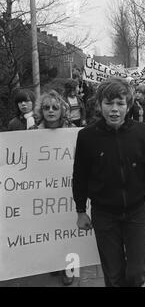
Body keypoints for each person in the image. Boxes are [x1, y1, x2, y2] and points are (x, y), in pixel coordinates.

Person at [72, 77, 145, 287]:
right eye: (109, 103)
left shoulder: (143, 133)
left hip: (136, 212)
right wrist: (80, 210)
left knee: (136, 272)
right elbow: (80, 176)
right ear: (99, 105)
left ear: (128, 105)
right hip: (104, 215)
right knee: (113, 275)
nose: (114, 109)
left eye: (120, 104)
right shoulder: (87, 137)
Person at [31, 90, 74, 285]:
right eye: (46, 107)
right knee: (50, 231)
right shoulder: (31, 134)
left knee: (67, 231)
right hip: (42, 191)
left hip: (67, 191)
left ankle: (70, 267)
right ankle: (55, 264)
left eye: (55, 107)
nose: (50, 111)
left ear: (61, 110)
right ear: (41, 110)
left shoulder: (74, 131)